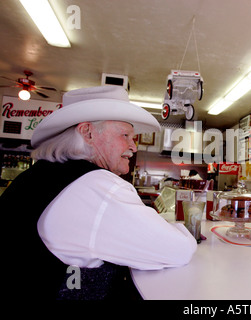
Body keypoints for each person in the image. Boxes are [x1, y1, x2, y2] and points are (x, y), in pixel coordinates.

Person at [0, 86, 197, 300]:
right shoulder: (98, 185)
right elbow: (178, 249)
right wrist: (179, 229)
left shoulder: (39, 175)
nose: (133, 146)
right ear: (88, 132)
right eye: (125, 135)